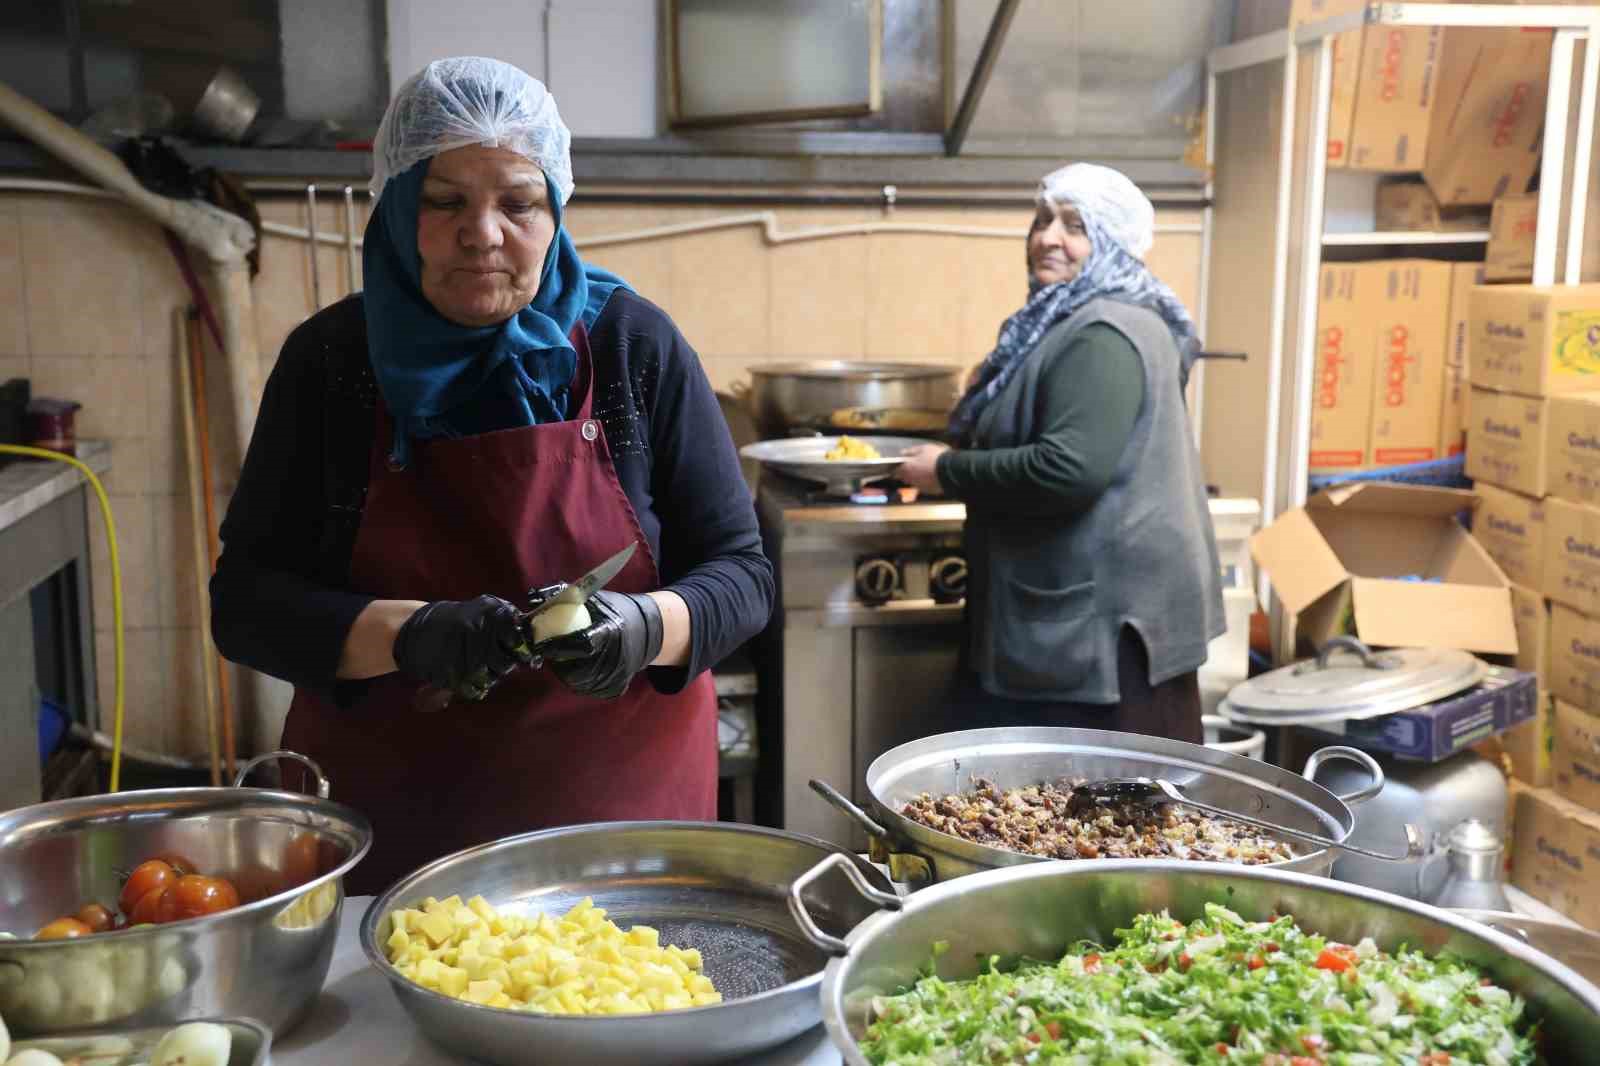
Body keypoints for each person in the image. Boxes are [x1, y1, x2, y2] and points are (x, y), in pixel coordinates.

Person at [210, 57, 773, 893]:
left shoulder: (631, 348)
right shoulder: (331, 365)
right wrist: (408, 636)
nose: (484, 233)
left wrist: (644, 629)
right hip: (395, 831)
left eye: (518, 201)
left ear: (556, 210)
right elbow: (245, 606)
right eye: (445, 201)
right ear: (399, 209)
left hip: (622, 825)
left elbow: (742, 575)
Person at [898, 163, 1222, 743]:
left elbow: (1068, 469)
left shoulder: (1103, 332)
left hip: (1104, 642)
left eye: (1075, 226)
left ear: (1111, 245)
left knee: (1088, 818)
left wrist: (942, 471)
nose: (1048, 236)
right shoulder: (1066, 321)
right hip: (1077, 628)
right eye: (1042, 219)